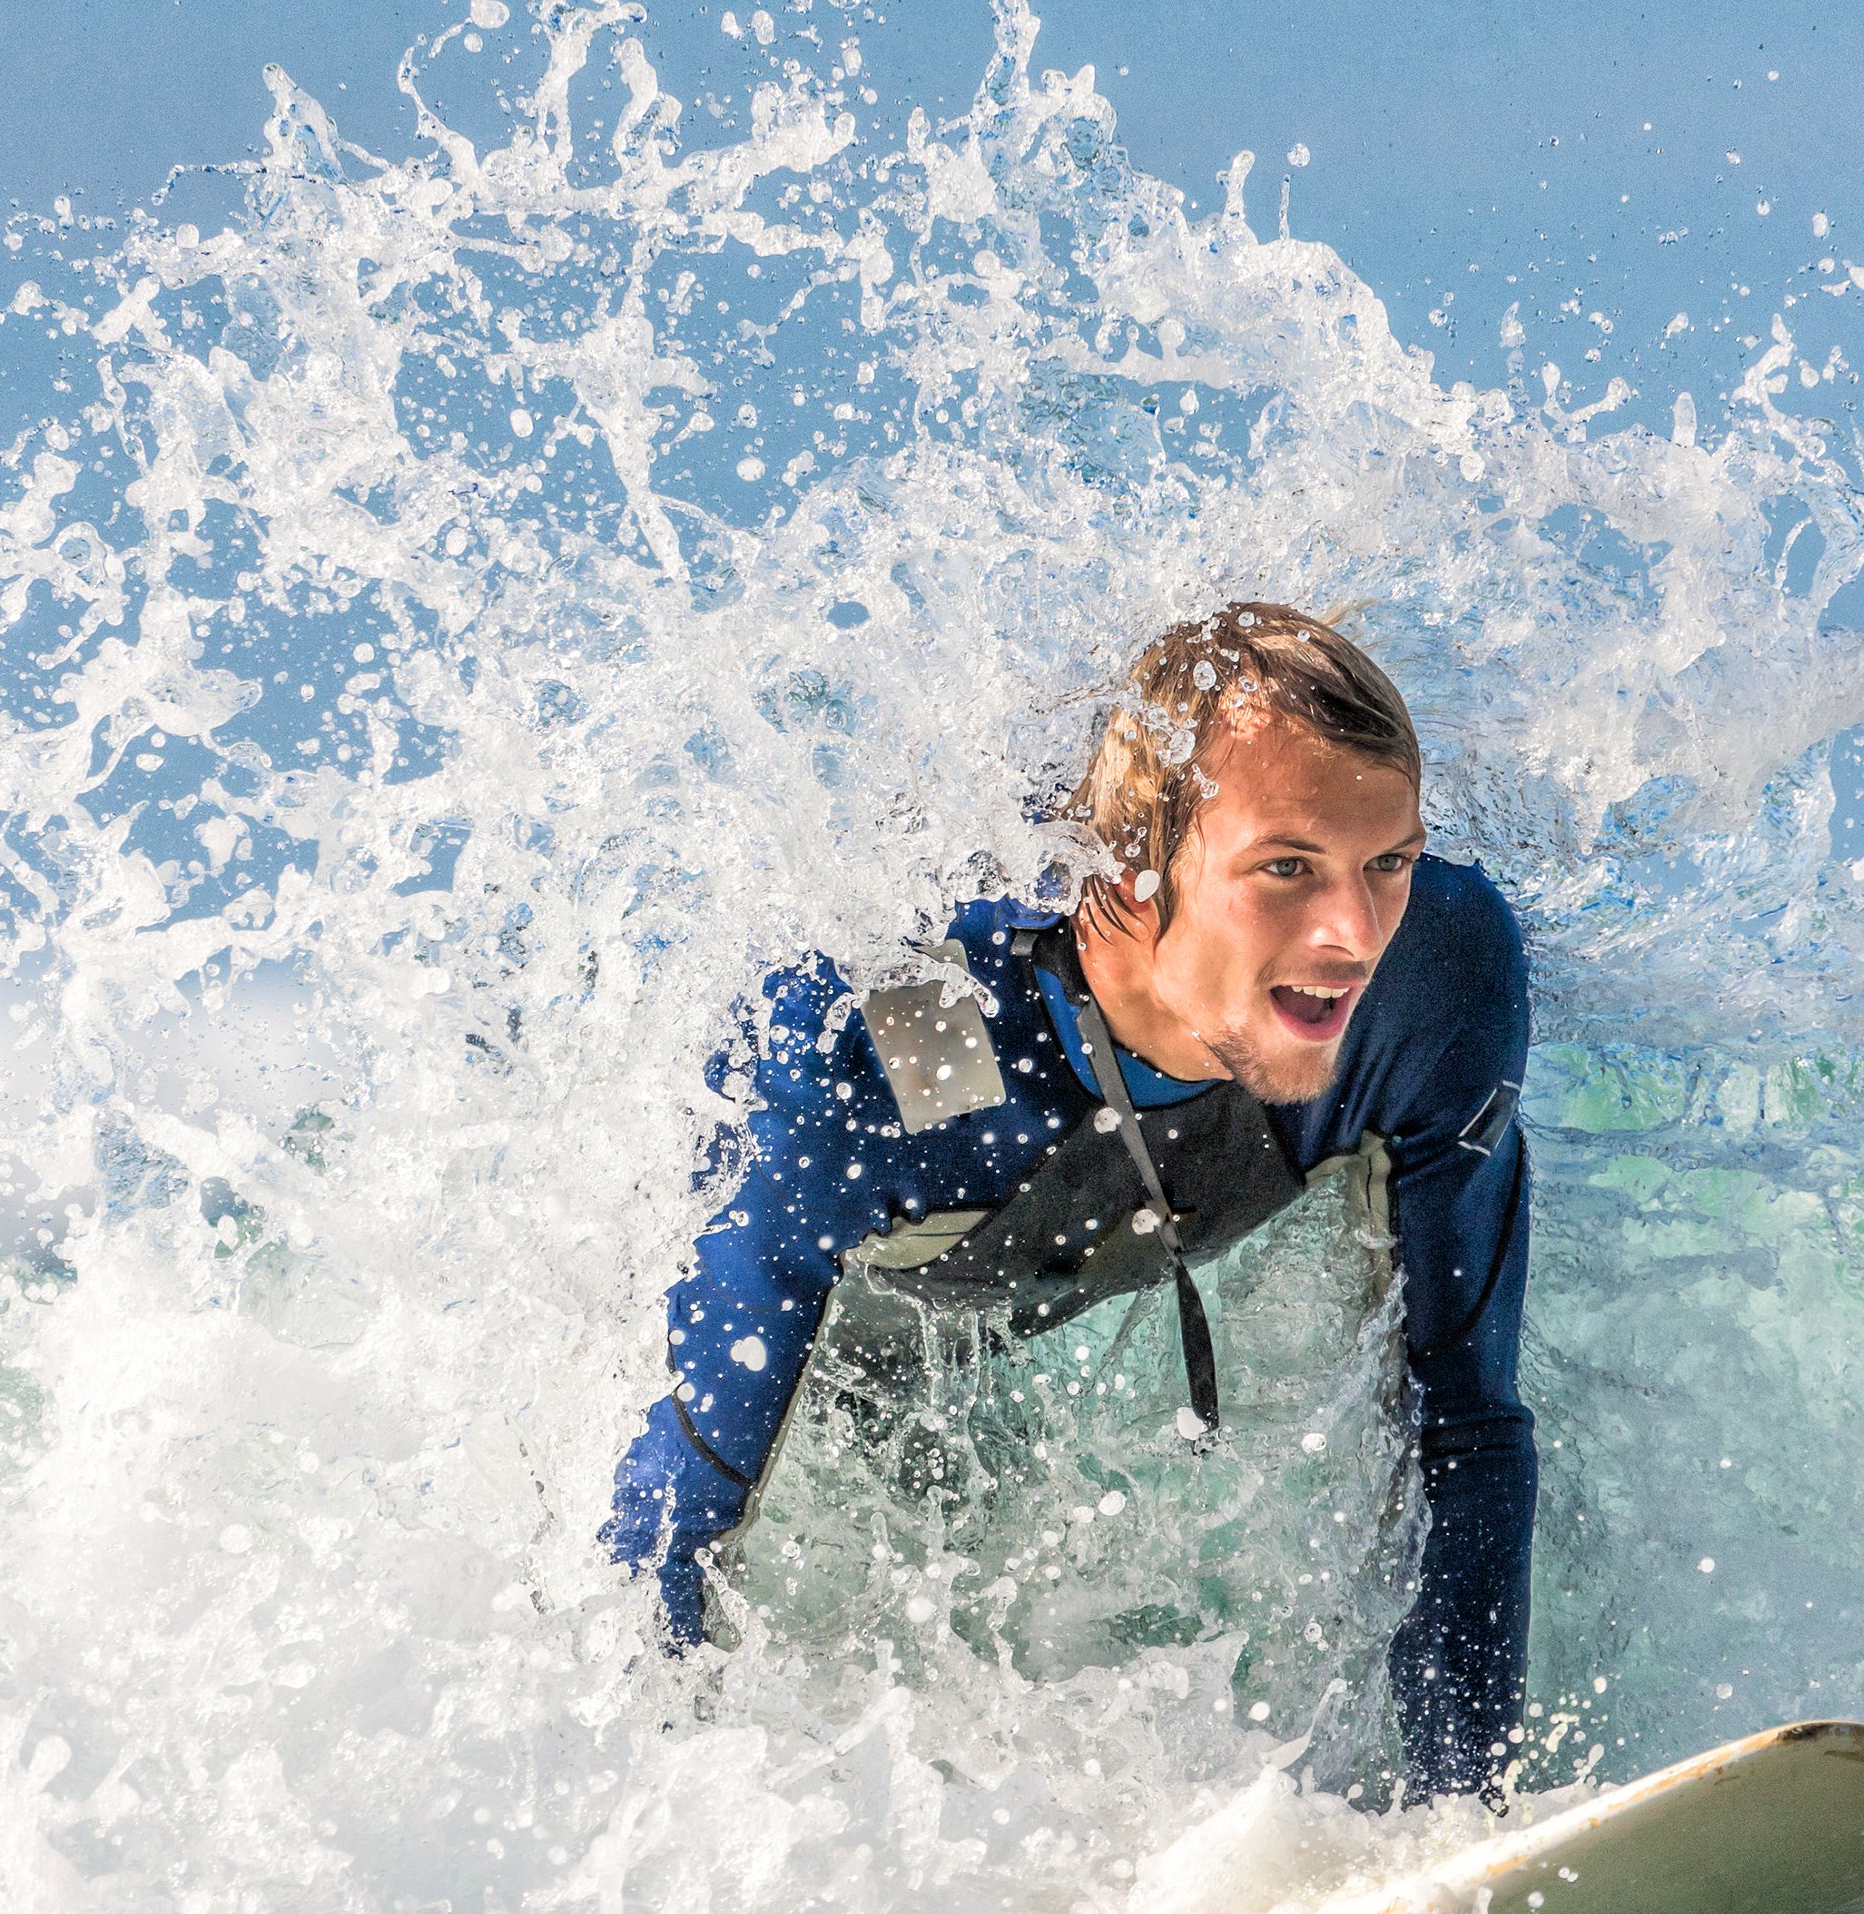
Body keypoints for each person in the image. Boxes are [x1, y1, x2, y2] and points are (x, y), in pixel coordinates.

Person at [601, 602, 1540, 1800]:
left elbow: (1465, 1429)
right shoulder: (902, 1036)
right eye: (1284, 867)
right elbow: (670, 1512)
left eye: (1387, 862)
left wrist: (1469, 1823)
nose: (1353, 932)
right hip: (851, 1316)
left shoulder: (1432, 982)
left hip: (1049, 1252)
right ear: (1139, 868)